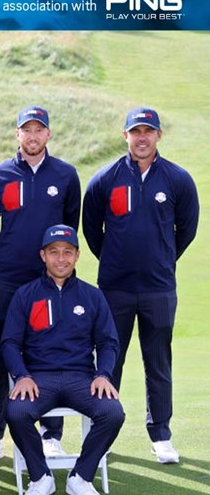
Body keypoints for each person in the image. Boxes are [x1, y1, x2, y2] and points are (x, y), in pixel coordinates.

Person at [82, 108, 198, 464]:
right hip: (114, 289)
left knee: (158, 361)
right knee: (109, 362)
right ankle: (103, 434)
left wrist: (161, 259)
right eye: (136, 132)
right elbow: (91, 231)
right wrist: (115, 261)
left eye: (149, 131)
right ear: (125, 136)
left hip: (159, 289)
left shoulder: (177, 179)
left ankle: (161, 434)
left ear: (159, 136)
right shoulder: (105, 179)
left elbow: (186, 230)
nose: (142, 137)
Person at [0, 106, 81, 463]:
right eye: (27, 130)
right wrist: (8, 253)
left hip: (50, 280)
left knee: (49, 348)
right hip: (8, 278)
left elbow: (71, 228)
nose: (33, 136)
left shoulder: (66, 175)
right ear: (17, 134)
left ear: (48, 135)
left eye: (40, 130)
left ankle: (51, 433)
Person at [3, 224, 125, 495]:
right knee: (17, 411)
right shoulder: (26, 295)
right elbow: (9, 343)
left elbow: (108, 343)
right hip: (38, 378)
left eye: (67, 252)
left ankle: (81, 477)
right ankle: (40, 476)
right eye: (54, 252)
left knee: (112, 412)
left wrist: (104, 374)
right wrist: (21, 376)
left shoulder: (92, 296)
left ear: (77, 256)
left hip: (80, 378)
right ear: (43, 255)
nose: (61, 259)